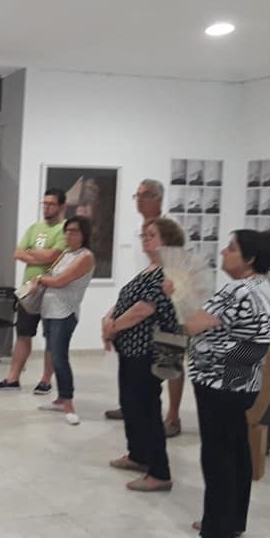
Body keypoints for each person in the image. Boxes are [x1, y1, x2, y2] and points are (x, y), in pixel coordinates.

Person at [171, 230, 270, 538]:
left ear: (250, 259)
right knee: (237, 451)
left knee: (217, 457)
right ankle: (231, 520)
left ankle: (215, 536)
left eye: (231, 249)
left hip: (220, 383)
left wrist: (179, 293)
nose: (223, 253)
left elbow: (192, 323)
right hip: (243, 383)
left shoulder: (237, 290)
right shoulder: (264, 288)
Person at [102, 218, 183, 492]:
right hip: (130, 348)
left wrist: (113, 326)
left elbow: (144, 309)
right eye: (144, 235)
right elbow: (126, 300)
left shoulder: (169, 273)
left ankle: (160, 472)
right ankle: (138, 455)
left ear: (168, 241)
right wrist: (108, 319)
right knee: (131, 404)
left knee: (147, 408)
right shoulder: (149, 269)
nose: (145, 239)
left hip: (149, 350)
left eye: (152, 235)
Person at [106, 178, 186, 439]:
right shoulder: (136, 230)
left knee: (170, 357)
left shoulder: (170, 227)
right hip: (139, 297)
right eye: (137, 195)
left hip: (166, 304)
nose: (139, 199)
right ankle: (130, 405)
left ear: (158, 198)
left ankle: (172, 416)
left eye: (145, 194)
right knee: (134, 368)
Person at [0, 188, 67, 393]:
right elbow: (18, 253)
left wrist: (32, 253)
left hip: (51, 291)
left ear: (61, 206)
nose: (46, 208)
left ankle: (45, 380)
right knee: (23, 334)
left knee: (51, 337)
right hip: (28, 290)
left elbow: (54, 256)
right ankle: (13, 378)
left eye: (51, 204)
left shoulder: (64, 229)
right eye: (44, 203)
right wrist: (39, 255)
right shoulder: (35, 228)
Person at [34, 216, 95, 424]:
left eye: (74, 231)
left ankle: (68, 402)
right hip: (49, 310)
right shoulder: (65, 254)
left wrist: (40, 279)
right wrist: (43, 280)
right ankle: (60, 399)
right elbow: (53, 276)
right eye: (67, 231)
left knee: (60, 358)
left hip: (65, 313)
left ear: (84, 234)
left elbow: (61, 281)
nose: (69, 235)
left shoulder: (86, 256)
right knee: (52, 354)